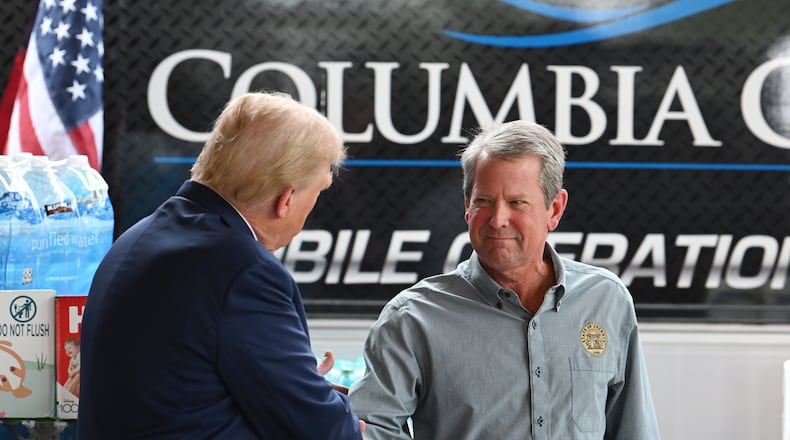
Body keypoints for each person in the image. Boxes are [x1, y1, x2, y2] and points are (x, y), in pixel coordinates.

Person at [78, 91, 365, 439]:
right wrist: (335, 411)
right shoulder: (245, 271)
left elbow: (186, 381)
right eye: (317, 193)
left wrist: (304, 387)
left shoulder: (138, 237)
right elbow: (321, 431)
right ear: (287, 199)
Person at [349, 120, 660, 439]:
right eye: (483, 201)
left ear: (555, 209)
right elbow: (371, 427)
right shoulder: (413, 317)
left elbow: (634, 429)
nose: (497, 220)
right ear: (467, 207)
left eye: (516, 203)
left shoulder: (605, 300)